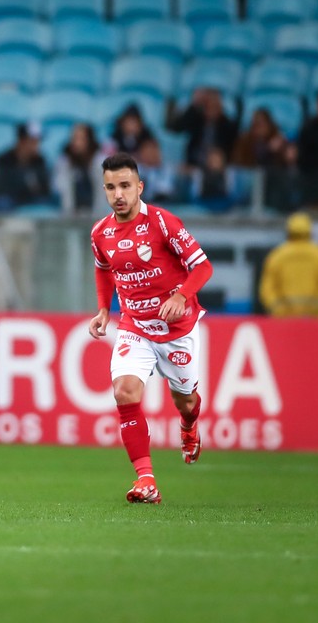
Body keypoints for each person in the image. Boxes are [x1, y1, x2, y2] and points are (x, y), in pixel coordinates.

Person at [88, 152, 214, 504]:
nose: (119, 194)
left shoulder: (162, 223)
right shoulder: (101, 232)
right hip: (135, 327)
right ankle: (146, 479)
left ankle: (189, 428)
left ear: (140, 186)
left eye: (125, 185)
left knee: (186, 401)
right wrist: (102, 308)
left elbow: (203, 268)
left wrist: (182, 296)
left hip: (177, 330)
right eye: (111, 187)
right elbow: (103, 268)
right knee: (124, 392)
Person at [259, 212, 318, 318]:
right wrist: (316, 310)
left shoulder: (276, 256)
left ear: (288, 232)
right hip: (317, 320)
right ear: (310, 231)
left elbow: (267, 289)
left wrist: (279, 309)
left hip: (284, 319)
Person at [166, 87, 238, 170]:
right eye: (208, 105)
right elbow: (176, 128)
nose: (211, 109)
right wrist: (194, 105)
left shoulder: (226, 125)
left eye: (215, 106)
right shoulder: (197, 120)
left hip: (217, 167)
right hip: (193, 164)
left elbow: (234, 138)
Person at [0, 123, 52, 211]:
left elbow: (45, 189)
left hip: (30, 199)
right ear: (22, 141)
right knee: (2, 203)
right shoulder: (4, 160)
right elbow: (0, 189)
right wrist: (26, 184)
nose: (37, 145)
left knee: (46, 202)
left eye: (38, 141)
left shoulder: (40, 161)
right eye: (33, 141)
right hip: (11, 199)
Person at [53, 123, 105, 211]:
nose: (76, 143)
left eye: (81, 139)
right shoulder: (64, 163)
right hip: (70, 217)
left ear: (89, 141)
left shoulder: (100, 163)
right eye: (74, 138)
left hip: (97, 215)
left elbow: (103, 195)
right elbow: (59, 190)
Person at [135, 137, 177, 203]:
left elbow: (166, 190)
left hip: (164, 203)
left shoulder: (167, 170)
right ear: (141, 153)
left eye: (154, 150)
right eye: (148, 151)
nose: (152, 154)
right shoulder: (135, 170)